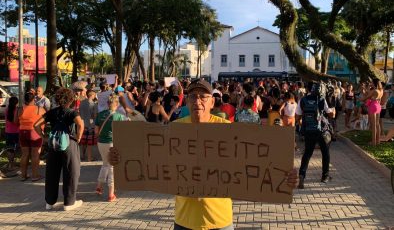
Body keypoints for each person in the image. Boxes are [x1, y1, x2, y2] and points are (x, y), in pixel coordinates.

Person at [109, 79, 298, 229]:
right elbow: (150, 158)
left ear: (212, 102)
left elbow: (252, 164)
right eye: (193, 96)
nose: (197, 101)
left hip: (219, 220)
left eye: (203, 97)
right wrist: (119, 158)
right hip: (184, 220)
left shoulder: (227, 130)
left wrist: (283, 177)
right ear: (187, 100)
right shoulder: (174, 129)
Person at [33, 88, 84, 211]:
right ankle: (69, 203)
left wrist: (44, 137)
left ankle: (49, 202)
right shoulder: (72, 112)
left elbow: (36, 125)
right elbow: (80, 124)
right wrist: (78, 137)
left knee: (51, 173)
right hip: (69, 144)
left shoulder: (52, 112)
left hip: (54, 145)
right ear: (71, 99)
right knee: (71, 172)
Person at [296, 82, 333, 189]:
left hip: (308, 131)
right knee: (325, 153)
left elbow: (297, 117)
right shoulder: (322, 100)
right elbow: (330, 114)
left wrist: (301, 124)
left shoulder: (303, 100)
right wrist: (332, 110)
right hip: (320, 131)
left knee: (307, 154)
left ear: (309, 90)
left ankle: (302, 175)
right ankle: (325, 176)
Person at [95, 94, 127, 202]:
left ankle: (99, 187)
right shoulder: (119, 116)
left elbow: (96, 131)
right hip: (111, 143)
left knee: (105, 164)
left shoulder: (99, 115)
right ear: (116, 104)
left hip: (101, 143)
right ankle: (111, 194)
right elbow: (124, 130)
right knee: (112, 167)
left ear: (108, 104)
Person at [18, 91, 46, 181]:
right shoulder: (39, 109)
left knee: (24, 154)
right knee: (35, 154)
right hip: (35, 132)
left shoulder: (20, 109)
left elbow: (15, 120)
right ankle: (35, 176)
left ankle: (23, 175)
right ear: (34, 99)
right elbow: (45, 120)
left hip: (22, 132)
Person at [362, 79, 383, 146]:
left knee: (373, 125)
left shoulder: (374, 90)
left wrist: (361, 98)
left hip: (373, 106)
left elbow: (365, 98)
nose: (371, 83)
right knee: (377, 124)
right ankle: (378, 141)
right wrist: (367, 89)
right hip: (378, 106)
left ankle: (373, 142)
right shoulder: (381, 90)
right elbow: (371, 95)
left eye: (371, 82)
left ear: (374, 83)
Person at [79, 90, 98, 161]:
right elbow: (95, 116)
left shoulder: (82, 103)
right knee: (89, 143)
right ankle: (90, 158)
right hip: (90, 124)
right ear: (92, 95)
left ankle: (82, 155)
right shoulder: (94, 104)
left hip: (82, 124)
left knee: (83, 142)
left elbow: (79, 113)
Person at [4, 96, 19, 170]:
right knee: (14, 148)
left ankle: (10, 163)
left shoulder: (7, 110)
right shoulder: (17, 110)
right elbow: (17, 121)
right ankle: (12, 165)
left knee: (9, 148)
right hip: (16, 131)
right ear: (17, 103)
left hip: (8, 131)